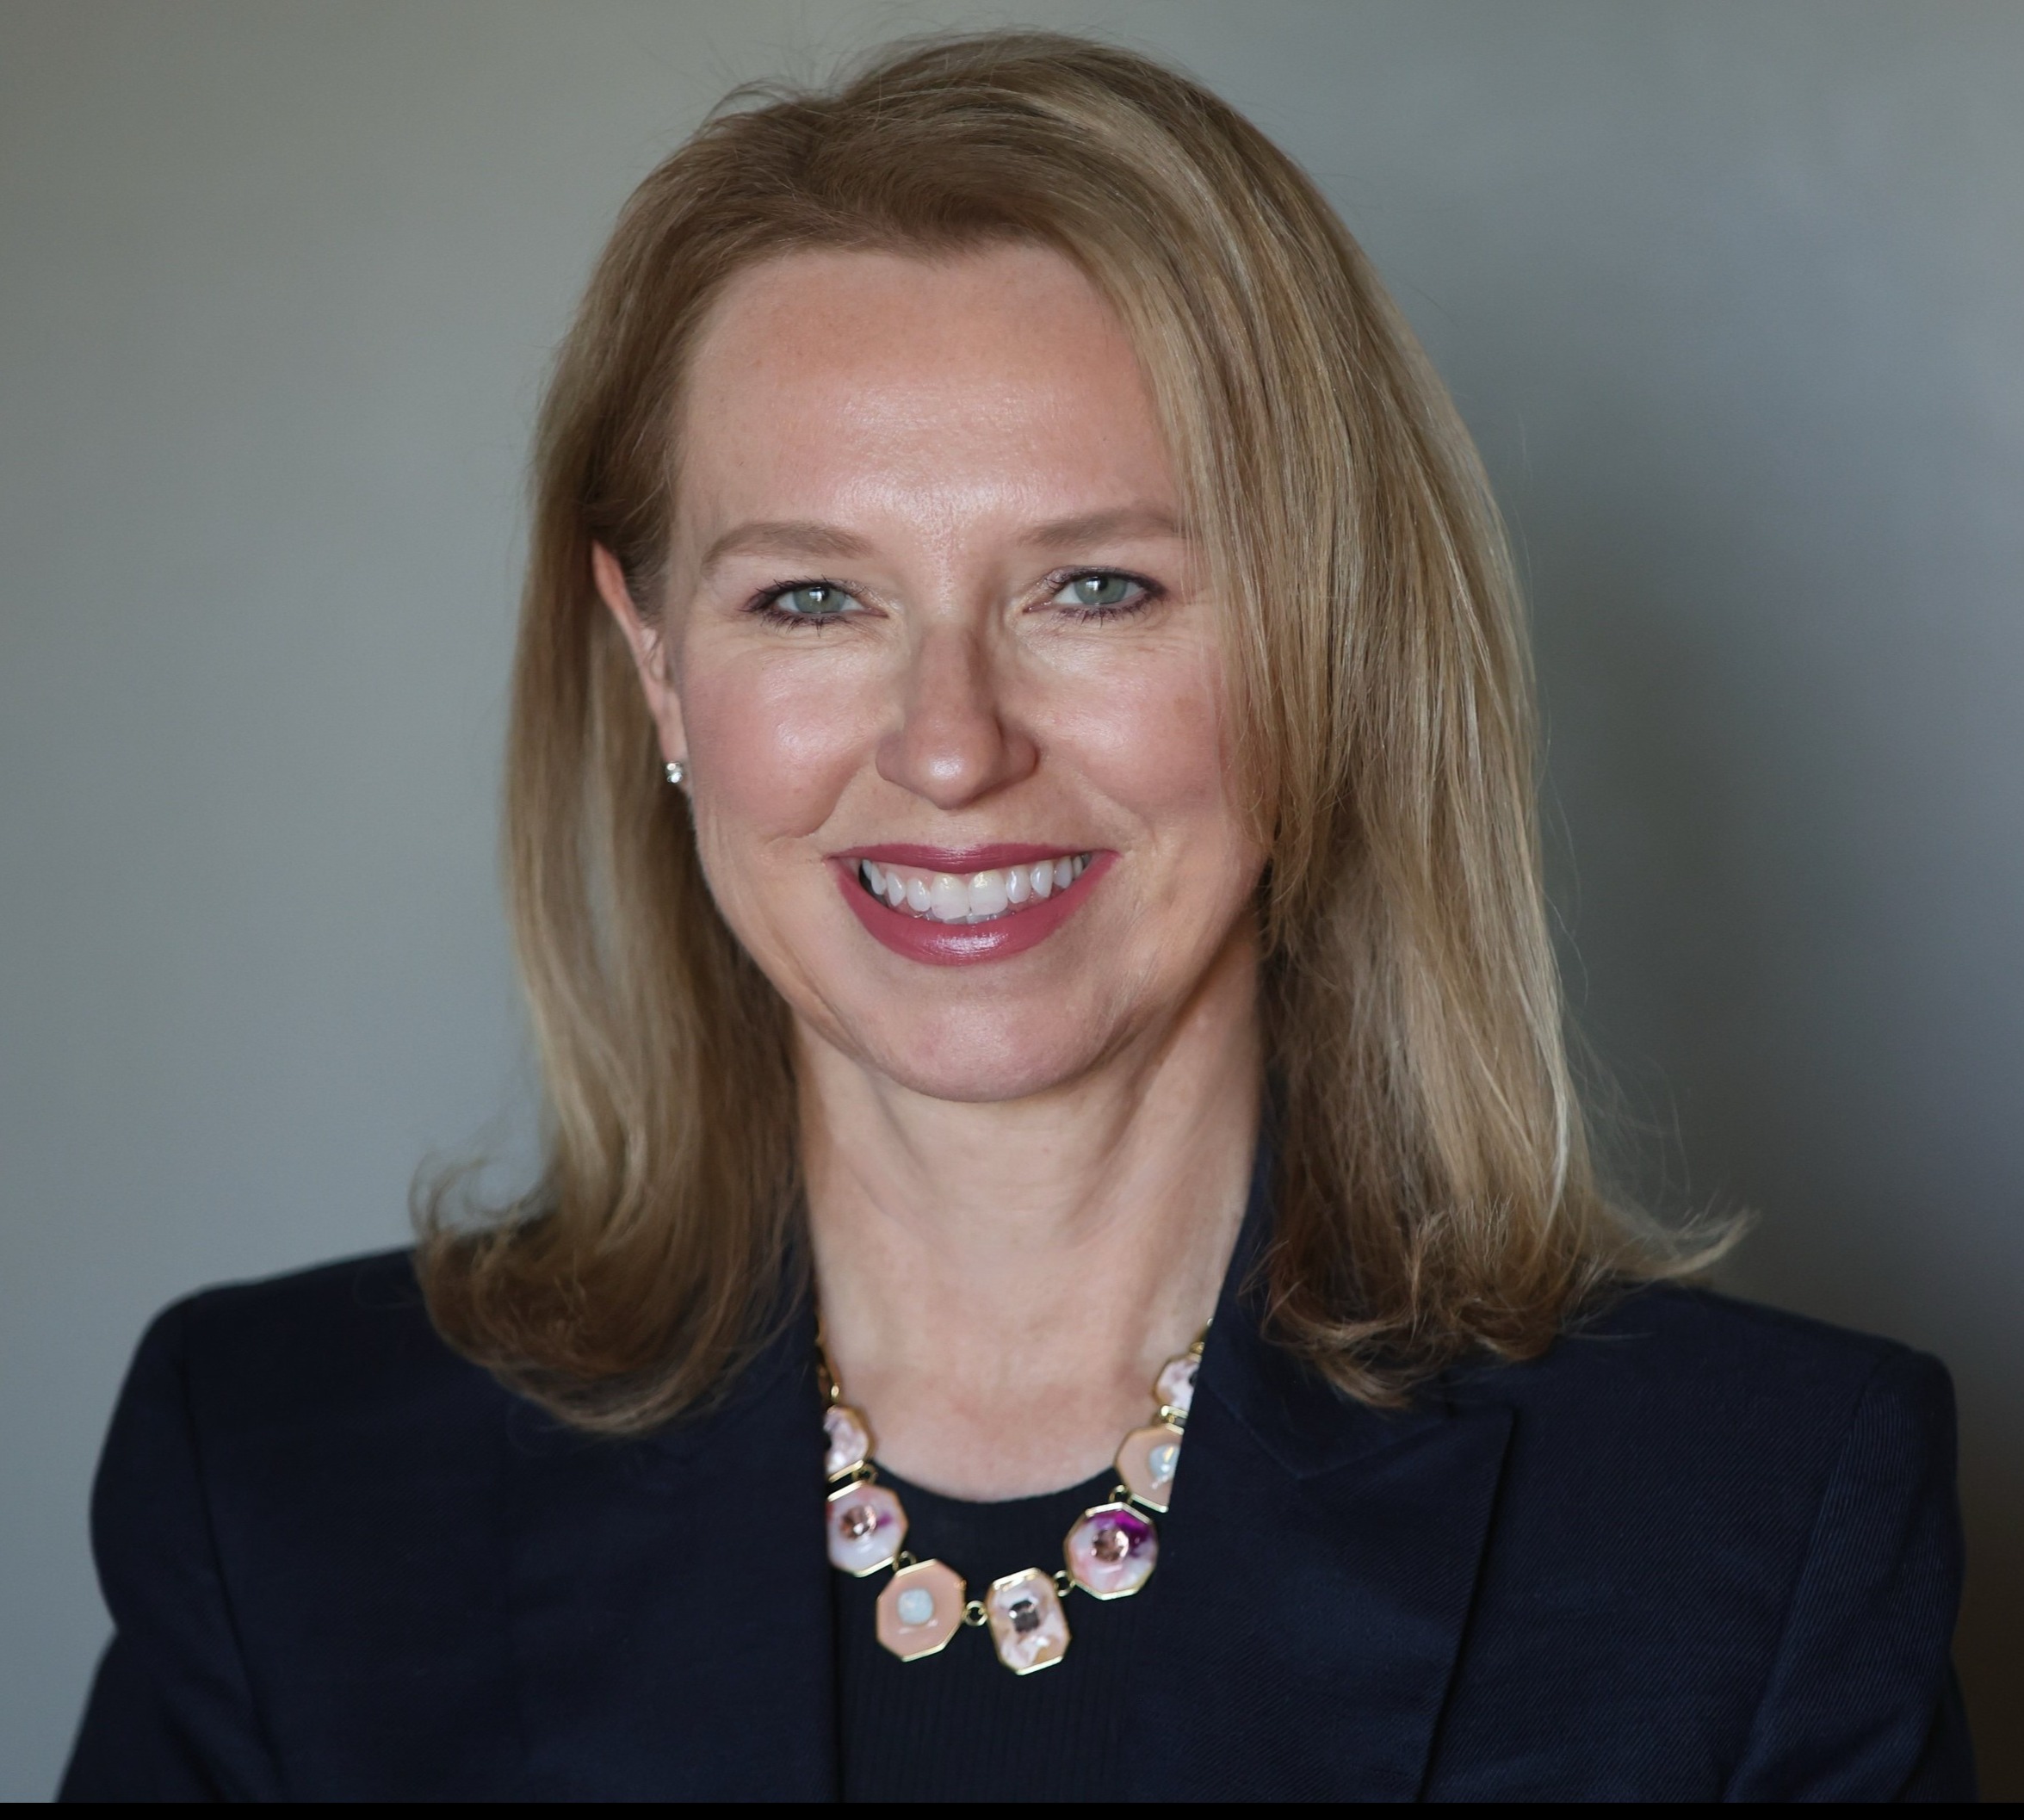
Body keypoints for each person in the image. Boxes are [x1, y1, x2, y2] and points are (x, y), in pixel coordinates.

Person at [59, 32, 1971, 1801]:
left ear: (1332, 650)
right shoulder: (281, 1486)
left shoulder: (1759, 1525)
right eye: (812, 599)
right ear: (654, 672)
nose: (951, 747)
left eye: (1099, 589)